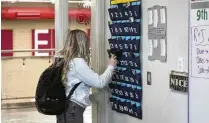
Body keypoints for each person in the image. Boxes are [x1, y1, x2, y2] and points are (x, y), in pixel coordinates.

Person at [56, 29, 117, 123]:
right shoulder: (78, 62)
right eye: (87, 41)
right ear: (81, 43)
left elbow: (75, 82)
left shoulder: (65, 60)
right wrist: (111, 65)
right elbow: (99, 82)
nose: (88, 43)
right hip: (73, 109)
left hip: (64, 107)